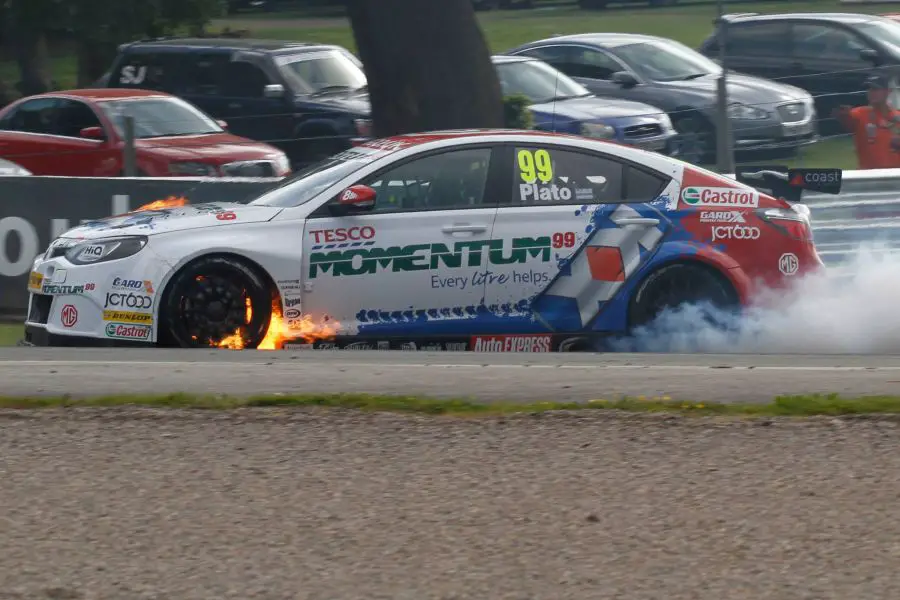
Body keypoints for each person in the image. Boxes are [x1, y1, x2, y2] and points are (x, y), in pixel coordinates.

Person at [833, 74, 900, 169]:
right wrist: (842, 114)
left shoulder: (897, 116)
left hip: (894, 176)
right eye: (869, 89)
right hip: (868, 176)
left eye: (876, 89)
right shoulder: (859, 113)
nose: (871, 92)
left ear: (888, 91)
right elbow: (847, 121)